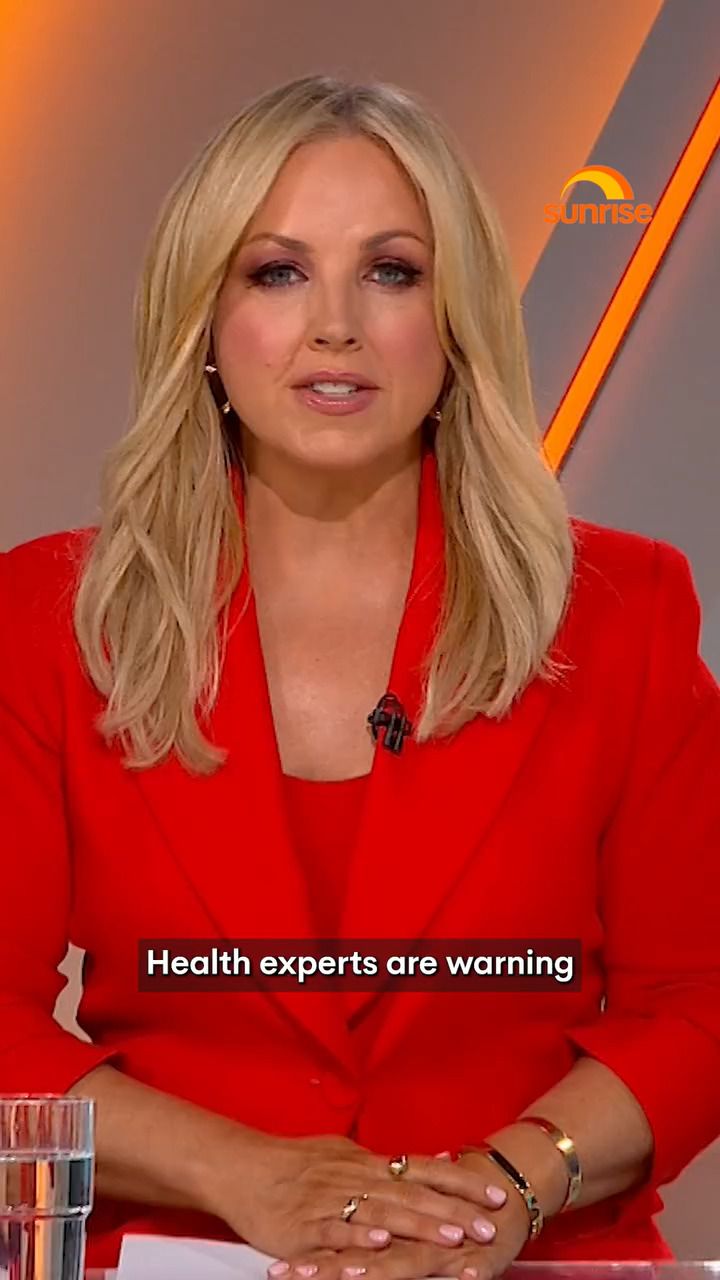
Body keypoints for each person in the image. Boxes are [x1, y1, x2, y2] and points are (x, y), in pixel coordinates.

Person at [0, 73, 719, 1280]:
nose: (335, 323)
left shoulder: (622, 611)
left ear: (456, 319)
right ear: (206, 320)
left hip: (531, 1254)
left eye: (391, 270)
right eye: (277, 271)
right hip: (191, 1253)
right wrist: (246, 1172)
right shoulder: (47, 617)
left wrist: (504, 1185)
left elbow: (700, 998)